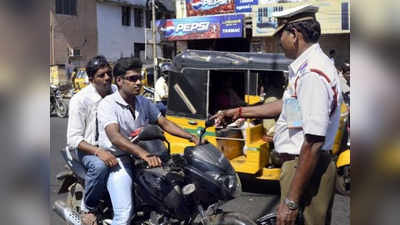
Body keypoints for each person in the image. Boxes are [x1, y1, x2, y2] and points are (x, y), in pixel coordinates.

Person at [211, 4, 341, 225]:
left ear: (295, 34)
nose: (279, 42)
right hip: (304, 164)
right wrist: (240, 111)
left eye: (281, 35)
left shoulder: (312, 74)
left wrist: (290, 202)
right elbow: (288, 105)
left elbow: (313, 142)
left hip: (305, 165)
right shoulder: (307, 67)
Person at [97, 57, 200, 225]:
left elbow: (164, 122)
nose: (138, 82)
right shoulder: (108, 105)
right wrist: (143, 154)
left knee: (175, 188)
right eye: (132, 79)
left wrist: (191, 136)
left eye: (140, 78)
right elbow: (115, 136)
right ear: (119, 81)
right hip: (119, 159)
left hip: (144, 158)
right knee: (124, 215)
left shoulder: (144, 102)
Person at [67, 55, 118, 225]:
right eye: (101, 75)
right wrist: (98, 151)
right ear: (91, 79)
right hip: (88, 150)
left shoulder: (116, 92)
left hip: (114, 146)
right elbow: (73, 138)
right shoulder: (80, 100)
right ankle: (88, 208)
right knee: (99, 166)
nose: (107, 78)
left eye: (109, 73)